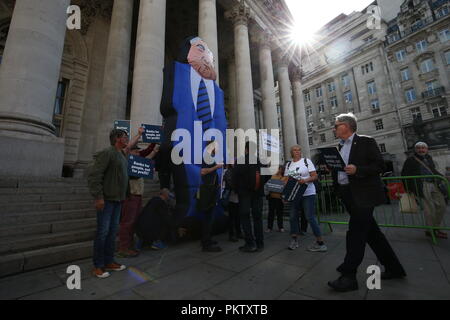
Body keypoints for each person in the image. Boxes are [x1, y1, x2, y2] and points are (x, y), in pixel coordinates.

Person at [328, 113, 406, 292]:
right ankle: (394, 268)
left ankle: (348, 276)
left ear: (346, 126)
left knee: (355, 233)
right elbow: (340, 170)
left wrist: (358, 170)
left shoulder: (366, 141)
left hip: (364, 195)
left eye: (336, 125)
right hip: (348, 194)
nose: (334, 128)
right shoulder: (339, 147)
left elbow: (379, 166)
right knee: (372, 233)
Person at [87, 129, 129, 279]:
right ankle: (98, 266)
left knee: (112, 233)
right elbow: (95, 175)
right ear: (117, 138)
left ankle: (109, 261)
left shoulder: (122, 155)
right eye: (125, 137)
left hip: (118, 200)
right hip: (107, 201)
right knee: (103, 233)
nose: (127, 139)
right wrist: (98, 197)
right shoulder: (108, 153)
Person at [117, 127, 161, 258]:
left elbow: (146, 158)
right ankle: (123, 247)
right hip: (130, 195)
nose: (138, 152)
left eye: (138, 150)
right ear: (131, 152)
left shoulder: (136, 162)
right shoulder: (127, 162)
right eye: (136, 150)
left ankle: (129, 246)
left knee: (133, 221)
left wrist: (154, 148)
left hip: (137, 195)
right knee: (127, 222)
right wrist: (140, 135)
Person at [284, 146, 327, 252]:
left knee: (310, 217)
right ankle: (294, 240)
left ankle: (320, 242)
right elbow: (286, 180)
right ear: (291, 152)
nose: (298, 151)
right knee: (293, 217)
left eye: (299, 150)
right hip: (294, 195)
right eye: (295, 150)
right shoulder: (289, 164)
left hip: (308, 193)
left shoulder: (306, 161)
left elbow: (314, 176)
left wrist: (305, 180)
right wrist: (285, 194)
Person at [401, 142, 447, 239]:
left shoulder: (429, 158)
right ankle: (432, 231)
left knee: (442, 206)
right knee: (429, 209)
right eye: (418, 148)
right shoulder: (410, 160)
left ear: (427, 149)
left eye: (423, 148)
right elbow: (404, 174)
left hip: (434, 184)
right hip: (421, 185)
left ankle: (435, 228)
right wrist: (408, 188)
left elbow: (433, 170)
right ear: (415, 149)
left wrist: (443, 177)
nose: (421, 150)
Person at [233, 142, 265, 253]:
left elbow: (234, 178)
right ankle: (260, 243)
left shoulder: (240, 160)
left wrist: (237, 190)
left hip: (244, 194)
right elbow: (266, 175)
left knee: (245, 218)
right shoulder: (259, 161)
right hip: (257, 194)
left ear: (245, 149)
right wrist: (260, 187)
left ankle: (250, 244)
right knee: (257, 218)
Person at [198, 141, 223, 252]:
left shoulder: (211, 157)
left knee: (209, 217)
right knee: (207, 217)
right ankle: (206, 244)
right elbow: (202, 172)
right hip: (207, 192)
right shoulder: (206, 157)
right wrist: (216, 167)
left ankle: (207, 238)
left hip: (212, 191)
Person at [223, 164, 242, 242]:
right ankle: (232, 235)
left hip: (238, 196)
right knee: (232, 217)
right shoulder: (228, 172)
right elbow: (231, 184)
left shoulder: (237, 171)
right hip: (231, 197)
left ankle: (238, 232)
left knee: (238, 216)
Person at [266, 166, 288, 233]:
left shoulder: (285, 177)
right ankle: (269, 227)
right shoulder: (272, 176)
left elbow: (284, 186)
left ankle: (280, 227)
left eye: (279, 169)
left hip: (280, 198)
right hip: (272, 197)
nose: (278, 170)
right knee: (271, 213)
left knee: (279, 213)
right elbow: (268, 184)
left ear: (282, 170)